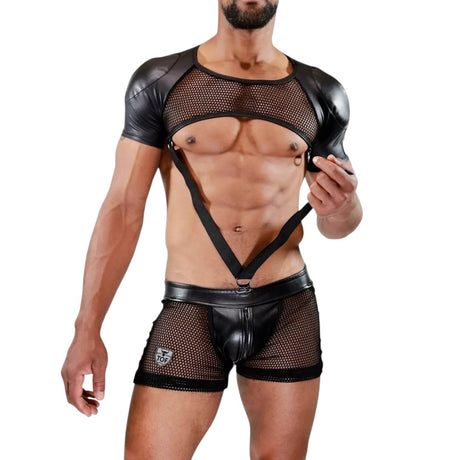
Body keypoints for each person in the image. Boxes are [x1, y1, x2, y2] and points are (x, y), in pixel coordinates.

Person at [61, 0, 362, 458]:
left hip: (288, 308)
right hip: (191, 310)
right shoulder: (163, 81)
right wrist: (87, 327)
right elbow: (123, 208)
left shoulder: (319, 92)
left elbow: (339, 223)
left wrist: (344, 206)